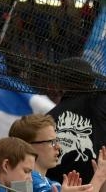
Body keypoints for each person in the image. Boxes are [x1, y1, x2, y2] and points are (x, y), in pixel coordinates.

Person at [46, 58, 106, 188]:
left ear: (60, 83)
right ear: (91, 81)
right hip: (97, 185)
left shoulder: (49, 118)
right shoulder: (101, 103)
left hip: (59, 187)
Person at [9, 114, 102, 192]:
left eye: (57, 141)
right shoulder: (24, 180)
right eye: (51, 142)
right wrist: (100, 176)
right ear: (27, 146)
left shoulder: (52, 183)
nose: (58, 147)